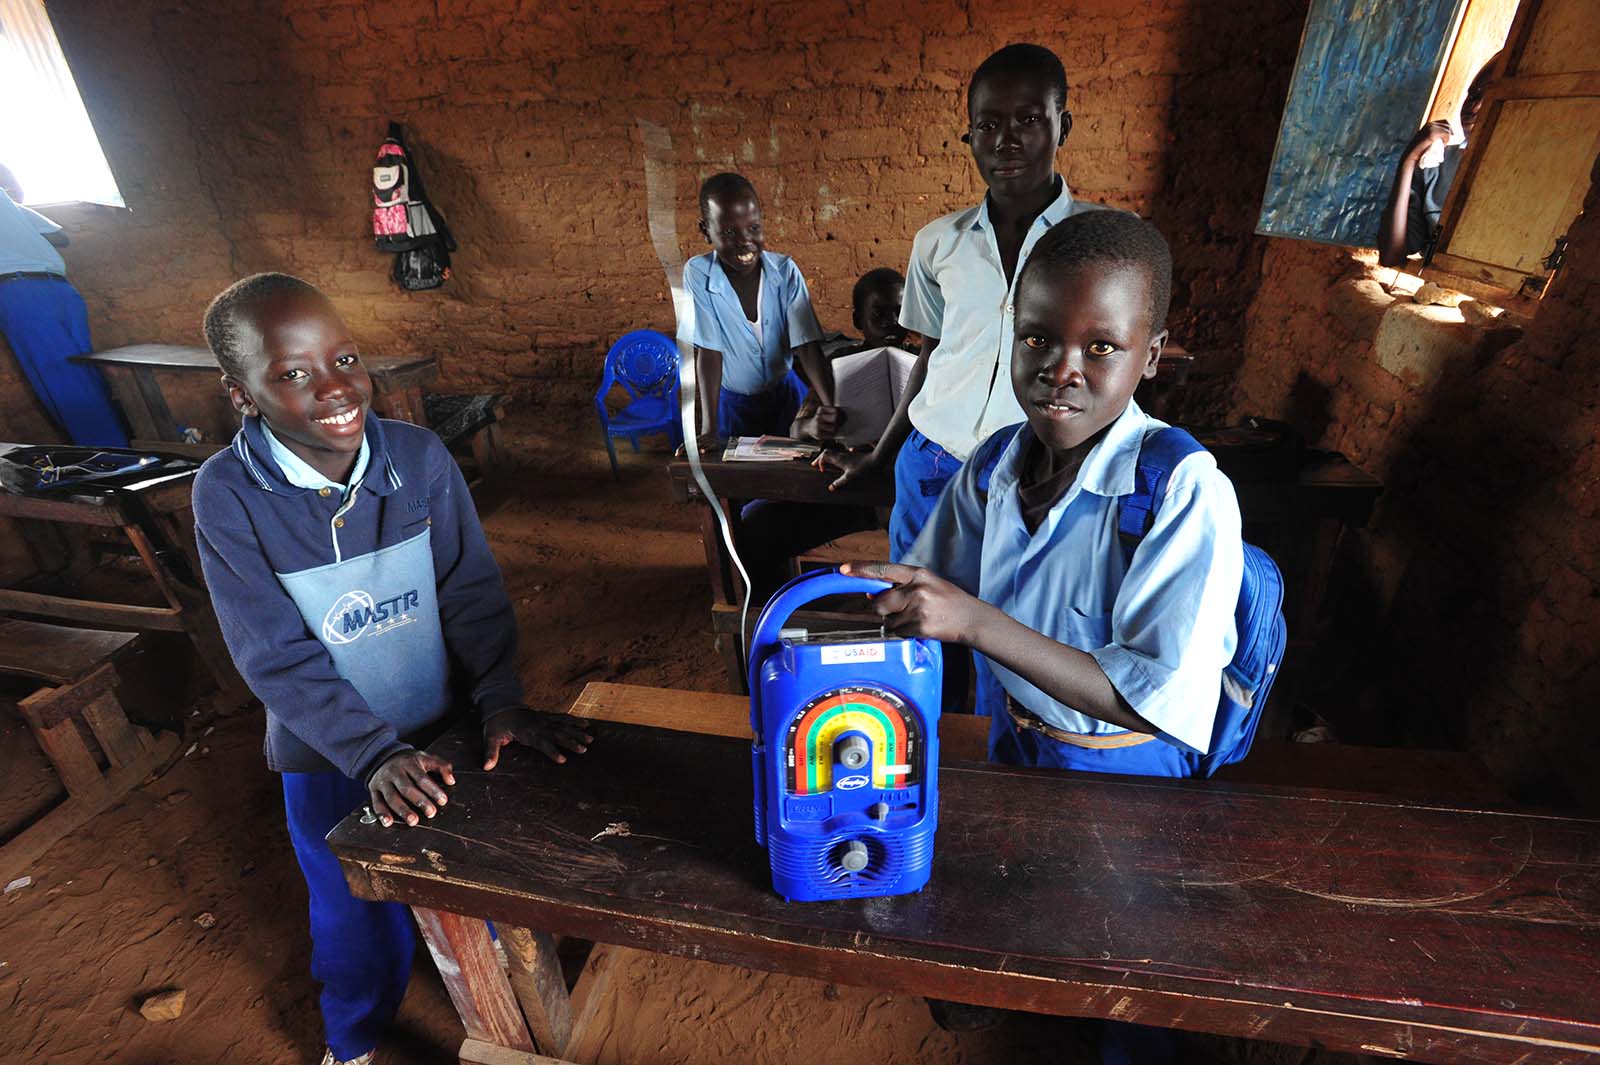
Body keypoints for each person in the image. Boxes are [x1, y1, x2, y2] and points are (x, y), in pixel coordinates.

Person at [845, 211, 1241, 1059]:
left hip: (1128, 774)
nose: (1062, 370)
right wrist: (835, 625)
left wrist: (975, 622)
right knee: (1026, 926)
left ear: (1152, 354)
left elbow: (1151, 699)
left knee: (1123, 970)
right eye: (1037, 339)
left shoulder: (1180, 490)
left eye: (1101, 347)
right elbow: (925, 584)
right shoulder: (993, 465)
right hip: (1014, 742)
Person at [190, 273, 592, 1065]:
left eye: (345, 357)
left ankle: (514, 1006)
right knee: (352, 913)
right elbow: (273, 651)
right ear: (241, 394)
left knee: (478, 880)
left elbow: (470, 592)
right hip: (329, 753)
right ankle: (356, 1036)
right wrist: (372, 752)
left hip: (445, 729)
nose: (336, 388)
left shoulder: (417, 456)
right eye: (293, 373)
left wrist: (500, 700)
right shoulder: (229, 495)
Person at [818, 44, 1106, 560]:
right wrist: (882, 457)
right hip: (933, 460)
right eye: (989, 124)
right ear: (969, 136)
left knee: (1010, 622)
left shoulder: (1102, 242)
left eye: (1029, 119)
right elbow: (931, 358)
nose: (1007, 141)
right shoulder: (938, 242)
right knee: (920, 608)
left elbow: (1113, 362)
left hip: (1039, 468)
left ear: (1063, 126)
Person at [685, 172, 834, 449]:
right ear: (706, 230)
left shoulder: (785, 271)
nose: (745, 241)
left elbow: (808, 346)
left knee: (795, 471)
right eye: (729, 232)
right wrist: (710, 428)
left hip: (786, 394)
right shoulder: (698, 274)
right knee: (742, 481)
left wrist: (830, 407)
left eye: (753, 228)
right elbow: (709, 349)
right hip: (734, 403)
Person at [0, 171, 128, 447]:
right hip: (61, 290)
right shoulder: (12, 205)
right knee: (85, 369)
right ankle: (133, 441)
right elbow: (61, 237)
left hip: (20, 293)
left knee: (60, 379)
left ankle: (112, 458)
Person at [1378, 55, 1499, 267]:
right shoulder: (1432, 166)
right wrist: (1410, 159)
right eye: (1473, 94)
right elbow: (1392, 256)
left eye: (1490, 95)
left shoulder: (1523, 177)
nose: (1475, 106)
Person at [831, 267, 921, 356]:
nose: (891, 322)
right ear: (858, 320)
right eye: (878, 313)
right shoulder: (840, 362)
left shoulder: (926, 361)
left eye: (900, 312)